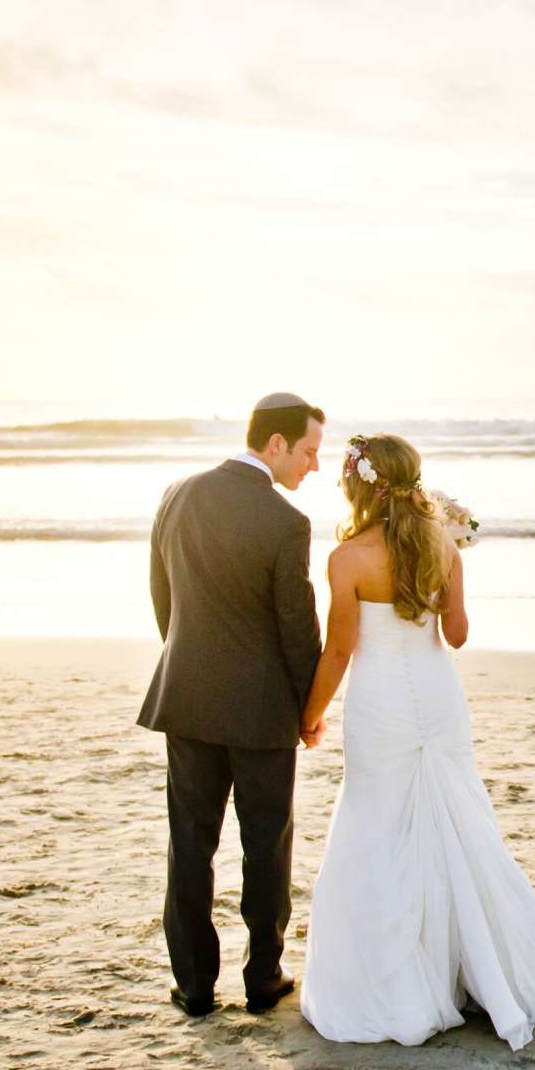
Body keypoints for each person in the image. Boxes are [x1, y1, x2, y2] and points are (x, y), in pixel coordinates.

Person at [296, 432, 535, 1050]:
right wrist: (447, 570)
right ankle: (472, 972)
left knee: (377, 829)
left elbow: (340, 649)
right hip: (437, 698)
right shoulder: (444, 546)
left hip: (380, 702)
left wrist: (309, 716)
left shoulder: (347, 558)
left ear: (361, 485)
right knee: (458, 823)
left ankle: (406, 984)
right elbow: (457, 635)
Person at [137, 393, 324, 1017]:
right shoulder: (284, 522)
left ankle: (193, 986)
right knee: (265, 845)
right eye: (308, 451)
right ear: (275, 444)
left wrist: (188, 658)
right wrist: (309, 707)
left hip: (185, 697)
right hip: (262, 712)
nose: (313, 466)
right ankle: (262, 979)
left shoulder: (177, 495)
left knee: (189, 842)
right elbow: (298, 629)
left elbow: (163, 596)